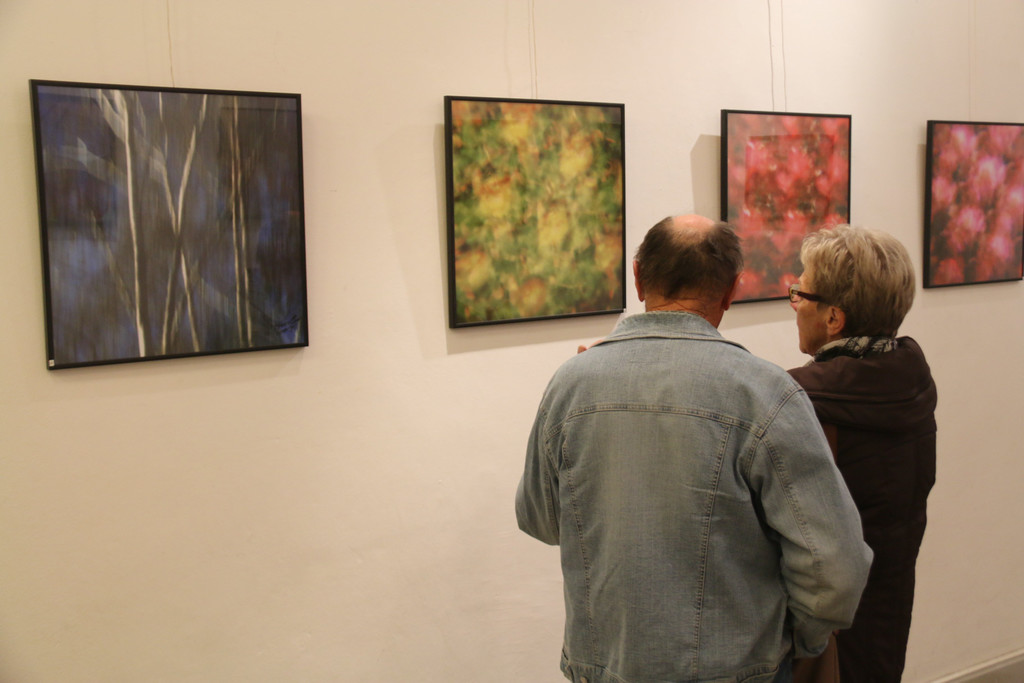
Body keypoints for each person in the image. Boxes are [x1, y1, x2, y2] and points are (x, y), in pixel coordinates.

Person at [516, 215, 872, 683]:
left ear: (638, 277)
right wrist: (793, 642)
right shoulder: (766, 393)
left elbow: (539, 519)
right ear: (731, 291)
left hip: (602, 668)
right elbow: (834, 572)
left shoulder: (571, 383)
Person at [787, 225, 938, 682]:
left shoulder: (803, 403)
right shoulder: (910, 382)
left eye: (800, 292)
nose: (794, 303)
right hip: (887, 615)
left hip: (827, 635)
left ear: (834, 318)